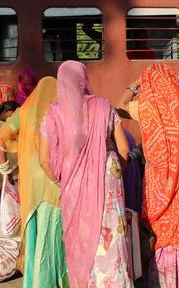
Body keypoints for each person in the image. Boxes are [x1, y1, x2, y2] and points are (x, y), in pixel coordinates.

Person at [117, 63, 179, 287]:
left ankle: (161, 280)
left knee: (160, 232)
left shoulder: (148, 107)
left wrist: (134, 85)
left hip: (158, 184)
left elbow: (119, 106)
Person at [38, 61, 131, 287]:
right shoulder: (103, 107)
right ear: (83, 80)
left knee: (81, 236)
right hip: (107, 176)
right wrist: (117, 174)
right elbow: (125, 150)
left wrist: (61, 181)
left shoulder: (53, 113)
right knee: (110, 234)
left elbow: (44, 160)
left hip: (73, 182)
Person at [0, 77, 70, 287]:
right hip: (52, 172)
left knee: (33, 226)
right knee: (53, 228)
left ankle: (34, 281)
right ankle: (54, 280)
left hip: (29, 175)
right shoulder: (59, 109)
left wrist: (5, 170)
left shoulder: (24, 112)